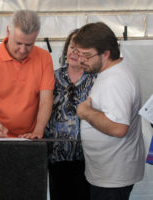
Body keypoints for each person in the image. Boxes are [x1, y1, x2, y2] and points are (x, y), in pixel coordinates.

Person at [75, 22, 145, 200]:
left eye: (87, 55)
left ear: (105, 53)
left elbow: (118, 128)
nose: (81, 60)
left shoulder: (116, 80)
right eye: (79, 54)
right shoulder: (111, 72)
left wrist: (85, 112)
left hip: (113, 177)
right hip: (109, 173)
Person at [0, 10, 55, 139]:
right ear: (8, 31)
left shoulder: (44, 58)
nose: (23, 50)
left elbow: (46, 100)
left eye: (29, 45)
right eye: (18, 43)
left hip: (29, 137)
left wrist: (39, 130)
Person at [44, 29, 96, 200]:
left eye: (80, 50)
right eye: (72, 47)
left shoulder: (96, 79)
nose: (74, 52)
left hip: (87, 156)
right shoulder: (52, 77)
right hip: (56, 155)